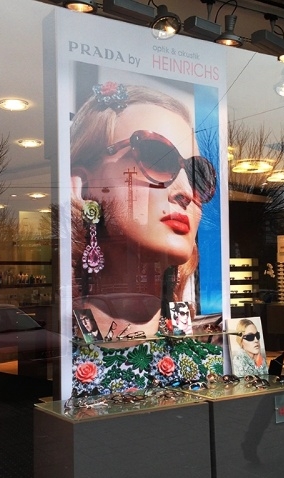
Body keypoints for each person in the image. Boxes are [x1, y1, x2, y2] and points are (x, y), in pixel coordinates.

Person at [70, 82, 217, 337]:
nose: (185, 191)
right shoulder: (60, 348)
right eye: (155, 156)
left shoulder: (193, 347)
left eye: (198, 174)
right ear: (83, 188)